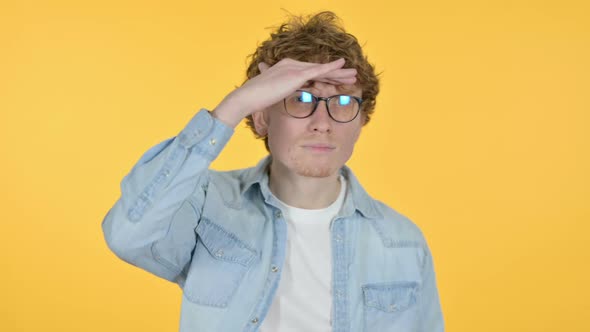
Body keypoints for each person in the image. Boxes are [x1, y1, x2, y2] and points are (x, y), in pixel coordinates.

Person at [102, 11, 444, 332]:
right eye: (301, 99)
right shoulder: (205, 205)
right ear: (262, 116)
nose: (322, 124)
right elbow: (128, 234)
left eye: (342, 103)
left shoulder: (404, 242)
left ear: (361, 121)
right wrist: (232, 107)